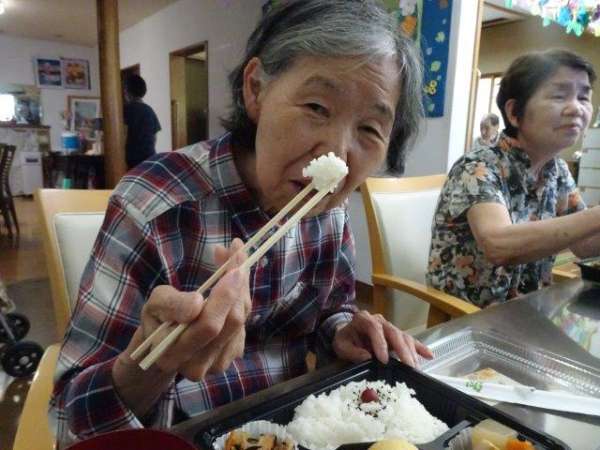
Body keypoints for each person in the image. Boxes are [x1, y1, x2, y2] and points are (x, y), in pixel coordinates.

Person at [50, 1, 431, 445]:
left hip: (293, 431)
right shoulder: (153, 205)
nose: (337, 153)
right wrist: (154, 365)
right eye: (316, 106)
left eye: (369, 129)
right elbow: (70, 419)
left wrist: (344, 331)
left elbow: (331, 309)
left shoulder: (329, 210)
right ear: (256, 89)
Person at [427, 49, 599, 308]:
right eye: (559, 95)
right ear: (514, 112)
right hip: (470, 317)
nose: (576, 108)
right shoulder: (477, 166)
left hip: (530, 311)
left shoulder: (558, 171)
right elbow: (498, 245)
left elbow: (584, 245)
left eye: (584, 96)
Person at [123, 74, 161, 170]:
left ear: (127, 92)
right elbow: (154, 137)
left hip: (132, 161)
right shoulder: (149, 110)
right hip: (150, 158)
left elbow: (122, 135)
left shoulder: (126, 110)